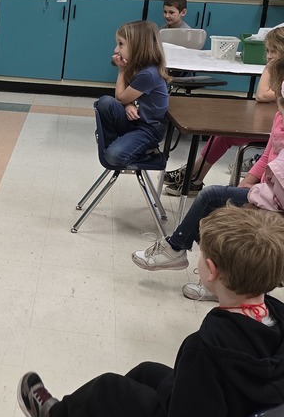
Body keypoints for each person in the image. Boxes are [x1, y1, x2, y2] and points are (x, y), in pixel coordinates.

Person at [19, 205, 284, 417]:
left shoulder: (206, 351)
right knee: (147, 372)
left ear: (210, 271)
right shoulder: (275, 318)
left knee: (109, 389)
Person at [132, 56, 284, 301]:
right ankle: (219, 281)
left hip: (273, 202)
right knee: (218, 204)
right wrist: (250, 181)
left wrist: (254, 198)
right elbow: (268, 154)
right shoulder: (280, 116)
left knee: (214, 199)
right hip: (267, 193)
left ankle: (178, 250)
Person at [163, 25, 284, 197]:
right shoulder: (272, 68)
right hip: (268, 123)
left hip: (276, 131)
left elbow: (265, 95)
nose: (269, 56)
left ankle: (192, 174)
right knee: (220, 136)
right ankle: (193, 176)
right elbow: (261, 95)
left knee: (225, 136)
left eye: (274, 51)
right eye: (267, 50)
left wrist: (277, 91)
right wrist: (274, 80)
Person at [95, 20, 169, 168]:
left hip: (148, 131)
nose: (117, 49)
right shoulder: (140, 66)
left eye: (121, 44)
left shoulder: (148, 74)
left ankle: (147, 152)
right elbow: (127, 96)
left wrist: (121, 71)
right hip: (136, 121)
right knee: (105, 103)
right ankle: (120, 142)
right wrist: (129, 105)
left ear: (137, 46)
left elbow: (121, 97)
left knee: (112, 156)